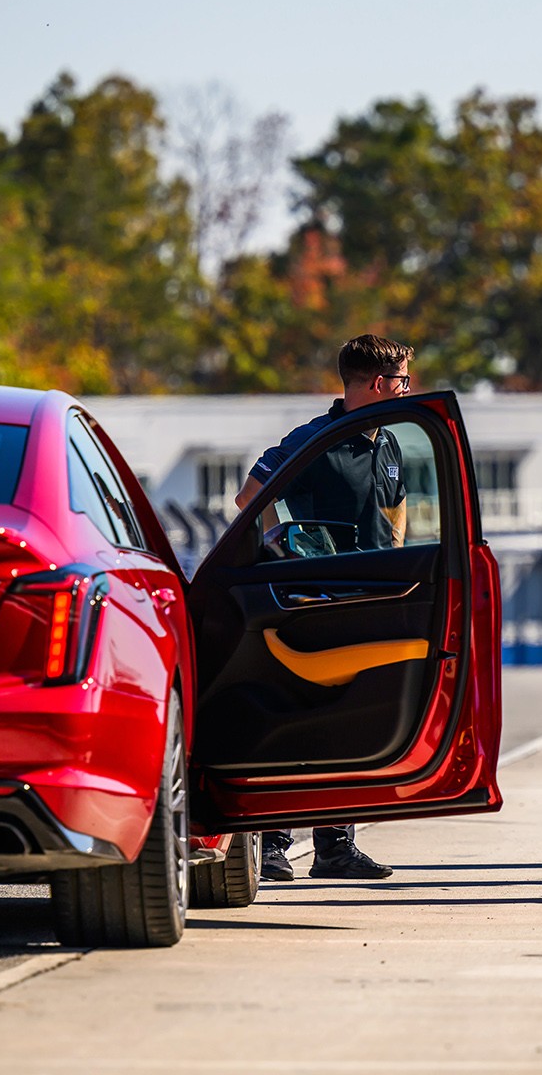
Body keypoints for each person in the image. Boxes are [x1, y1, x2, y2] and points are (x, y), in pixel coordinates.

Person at [234, 334, 414, 882]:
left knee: (352, 725)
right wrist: (285, 551)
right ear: (379, 383)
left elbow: (396, 508)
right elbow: (250, 496)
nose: (408, 390)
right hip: (319, 601)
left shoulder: (390, 443)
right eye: (403, 380)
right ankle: (274, 844)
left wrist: (398, 565)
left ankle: (335, 847)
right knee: (302, 723)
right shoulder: (315, 439)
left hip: (371, 600)